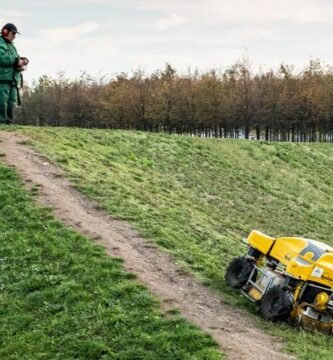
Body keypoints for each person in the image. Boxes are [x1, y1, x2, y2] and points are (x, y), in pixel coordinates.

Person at [0, 23, 28, 124]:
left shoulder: (12, 46)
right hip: (2, 79)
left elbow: (15, 58)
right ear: (5, 32)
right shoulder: (0, 42)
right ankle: (1, 123)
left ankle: (8, 123)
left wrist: (21, 62)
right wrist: (16, 61)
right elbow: (2, 58)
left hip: (12, 80)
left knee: (11, 102)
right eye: (13, 33)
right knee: (2, 102)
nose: (14, 36)